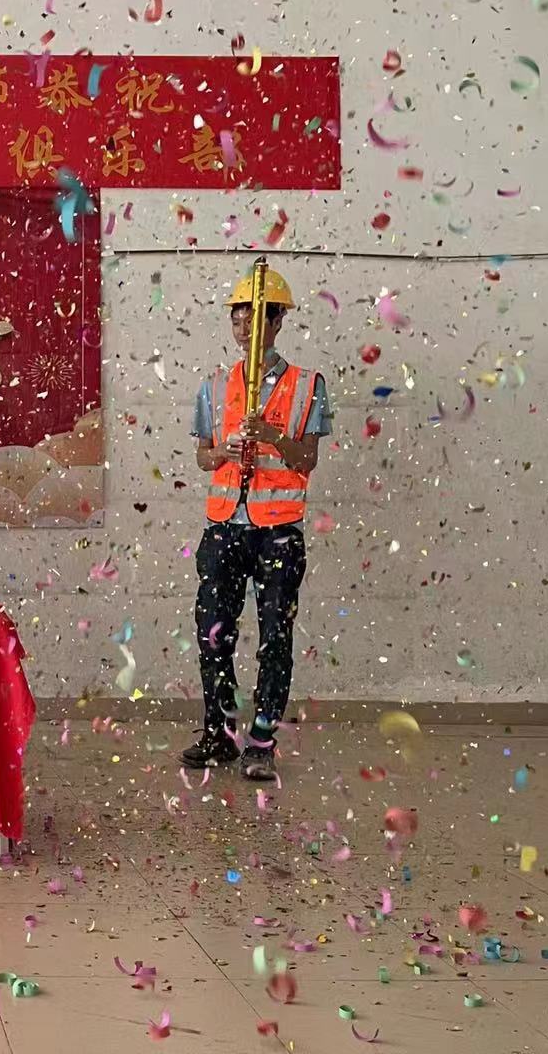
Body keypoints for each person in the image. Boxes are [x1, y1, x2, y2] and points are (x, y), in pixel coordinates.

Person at [180, 267, 330, 782]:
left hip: (279, 531)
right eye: (238, 317)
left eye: (256, 317)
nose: (244, 326)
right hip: (223, 525)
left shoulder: (307, 385)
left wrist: (271, 435)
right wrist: (223, 452)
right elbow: (203, 457)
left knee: (275, 638)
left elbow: (307, 460)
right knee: (212, 633)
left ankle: (262, 743)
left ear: (278, 321)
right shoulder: (214, 385)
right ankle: (219, 735)